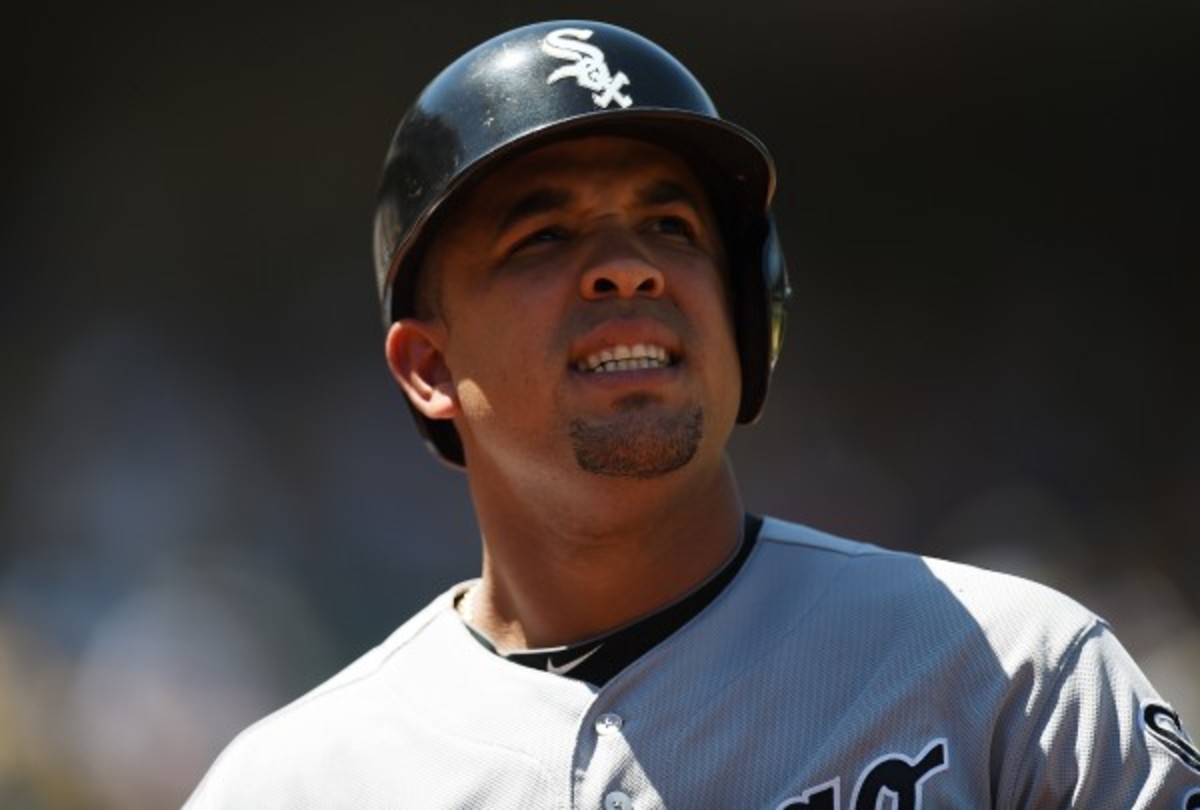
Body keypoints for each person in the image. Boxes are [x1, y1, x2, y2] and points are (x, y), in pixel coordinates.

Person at [187, 20, 1200, 809]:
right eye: (544, 237)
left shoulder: (1013, 678)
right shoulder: (289, 785)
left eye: (670, 225)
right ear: (429, 368)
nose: (628, 267)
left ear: (747, 312)